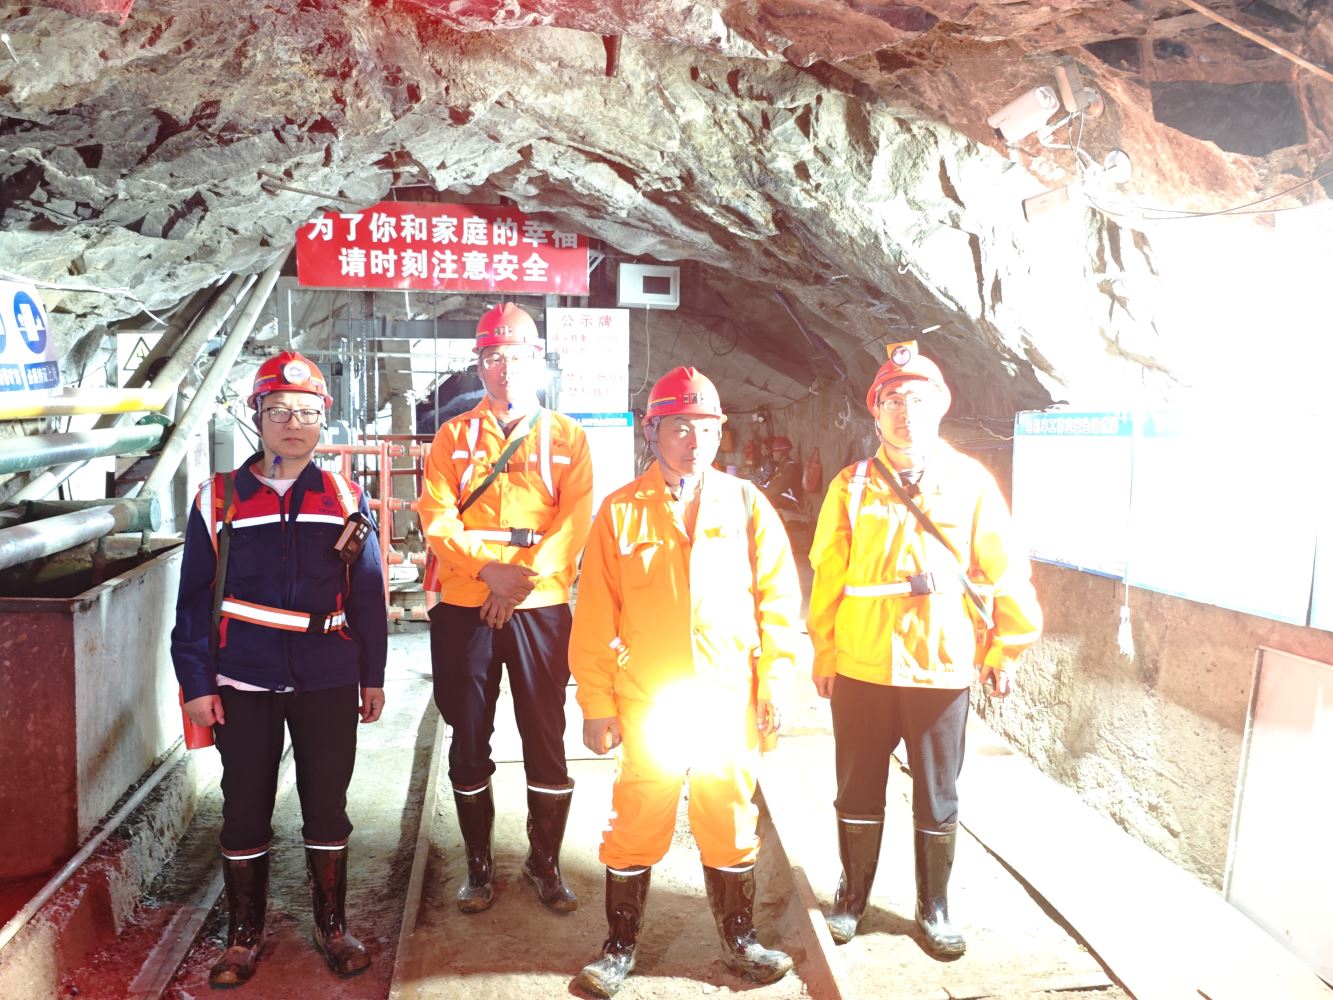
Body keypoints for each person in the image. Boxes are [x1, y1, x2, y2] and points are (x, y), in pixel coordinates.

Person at [569, 366, 801, 998]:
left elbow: (780, 604)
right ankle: (619, 948)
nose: (694, 441)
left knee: (728, 813)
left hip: (728, 697)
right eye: (679, 427)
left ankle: (740, 941)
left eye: (705, 428)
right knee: (638, 817)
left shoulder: (747, 505)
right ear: (652, 432)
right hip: (650, 699)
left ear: (720, 432)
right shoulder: (620, 513)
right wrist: (595, 702)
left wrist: (775, 683)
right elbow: (595, 616)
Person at [807, 340, 1042, 957]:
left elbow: (1006, 569)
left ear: (941, 404)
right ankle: (852, 896)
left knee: (938, 792)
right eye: (892, 400)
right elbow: (828, 574)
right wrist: (824, 652)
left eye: (917, 398)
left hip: (940, 664)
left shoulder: (971, 483)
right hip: (862, 662)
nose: (905, 411)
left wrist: (1007, 647)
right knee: (857, 785)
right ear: (875, 411)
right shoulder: (852, 485)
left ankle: (932, 907)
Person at [171, 351, 388, 988]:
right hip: (244, 676)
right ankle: (243, 936)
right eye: (280, 411)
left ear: (323, 418)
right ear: (256, 417)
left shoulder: (344, 496)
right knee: (244, 806)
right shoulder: (218, 499)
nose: (294, 424)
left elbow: (368, 594)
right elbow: (193, 601)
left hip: (327, 674)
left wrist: (372, 674)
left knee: (327, 803)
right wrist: (197, 683)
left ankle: (332, 927)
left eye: (307, 412)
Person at [417, 302, 593, 916]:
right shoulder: (453, 437)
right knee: (468, 732)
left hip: (539, 605)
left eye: (516, 357)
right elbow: (436, 516)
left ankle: (545, 863)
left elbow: (574, 520)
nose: (505, 368)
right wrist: (485, 570)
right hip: (466, 603)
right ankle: (479, 865)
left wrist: (513, 583)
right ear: (479, 365)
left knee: (545, 732)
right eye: (493, 357)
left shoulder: (567, 437)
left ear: (537, 361)